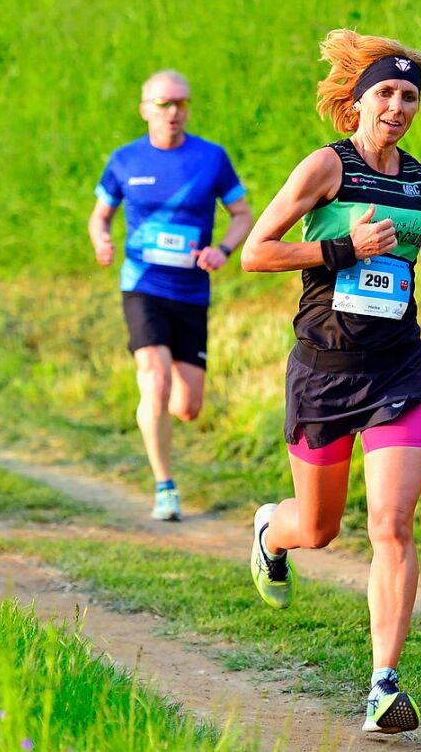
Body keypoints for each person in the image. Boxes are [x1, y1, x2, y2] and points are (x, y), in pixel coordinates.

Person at [241, 30, 421, 734]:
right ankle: (271, 534)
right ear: (357, 102)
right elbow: (256, 252)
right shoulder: (324, 169)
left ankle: (383, 685)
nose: (397, 106)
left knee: (390, 524)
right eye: (385, 94)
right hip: (325, 370)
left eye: (408, 96)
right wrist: (341, 247)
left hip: (397, 365)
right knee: (319, 527)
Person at [89, 69, 253, 521]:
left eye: (181, 103)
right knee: (155, 379)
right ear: (145, 110)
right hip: (142, 286)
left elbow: (242, 213)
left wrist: (222, 249)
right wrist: (101, 240)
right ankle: (165, 487)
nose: (174, 112)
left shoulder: (211, 158)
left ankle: (163, 428)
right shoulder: (124, 160)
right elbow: (99, 217)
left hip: (191, 292)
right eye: (164, 104)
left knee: (187, 407)